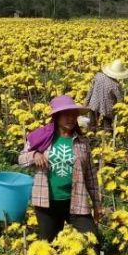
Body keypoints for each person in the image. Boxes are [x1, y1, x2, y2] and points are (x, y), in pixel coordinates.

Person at [19, 95, 102, 241]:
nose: (70, 119)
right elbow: (21, 158)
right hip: (47, 203)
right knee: (49, 245)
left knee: (91, 240)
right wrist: (35, 154)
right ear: (57, 116)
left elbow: (91, 176)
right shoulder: (42, 137)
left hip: (76, 200)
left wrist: (97, 204)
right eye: (66, 115)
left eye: (73, 115)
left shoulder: (82, 142)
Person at [85, 59, 128, 130]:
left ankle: (92, 138)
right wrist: (123, 109)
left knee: (92, 126)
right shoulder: (115, 85)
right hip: (107, 109)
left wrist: (86, 102)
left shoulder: (98, 76)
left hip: (94, 104)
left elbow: (90, 90)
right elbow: (120, 100)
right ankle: (106, 139)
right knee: (107, 128)